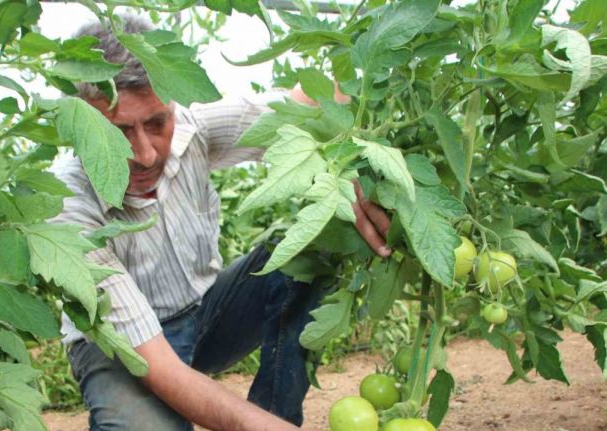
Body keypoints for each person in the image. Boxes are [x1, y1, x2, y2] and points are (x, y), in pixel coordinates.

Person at [53, 15, 392, 431]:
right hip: (118, 349)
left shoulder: (195, 128)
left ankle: (276, 415)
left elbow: (312, 101)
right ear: (78, 121)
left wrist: (353, 159)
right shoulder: (67, 202)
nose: (144, 154)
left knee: (311, 249)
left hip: (206, 316)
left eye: (157, 123)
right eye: (117, 132)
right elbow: (157, 364)